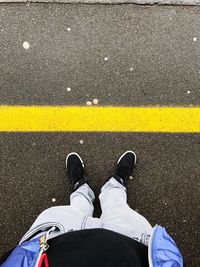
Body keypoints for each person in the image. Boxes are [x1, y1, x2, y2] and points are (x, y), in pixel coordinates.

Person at [0, 151, 183, 267]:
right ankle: (114, 183)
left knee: (78, 205)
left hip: (54, 243)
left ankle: (82, 187)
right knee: (117, 205)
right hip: (134, 246)